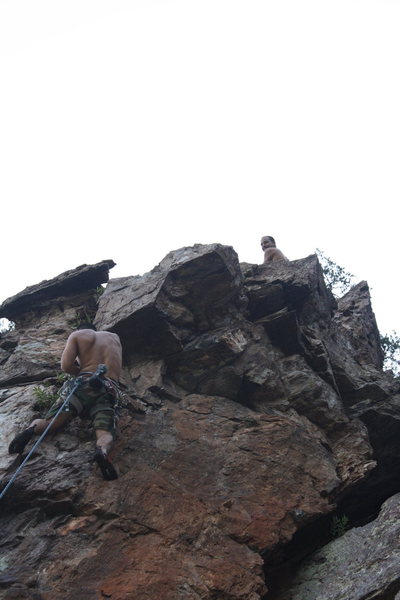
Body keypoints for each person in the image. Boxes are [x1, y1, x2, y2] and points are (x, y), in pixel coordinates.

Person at [8, 324, 123, 481]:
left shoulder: (78, 335)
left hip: (82, 385)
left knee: (51, 422)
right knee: (104, 432)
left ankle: (31, 430)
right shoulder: (114, 337)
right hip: (107, 389)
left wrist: (82, 372)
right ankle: (101, 451)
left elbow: (66, 366)